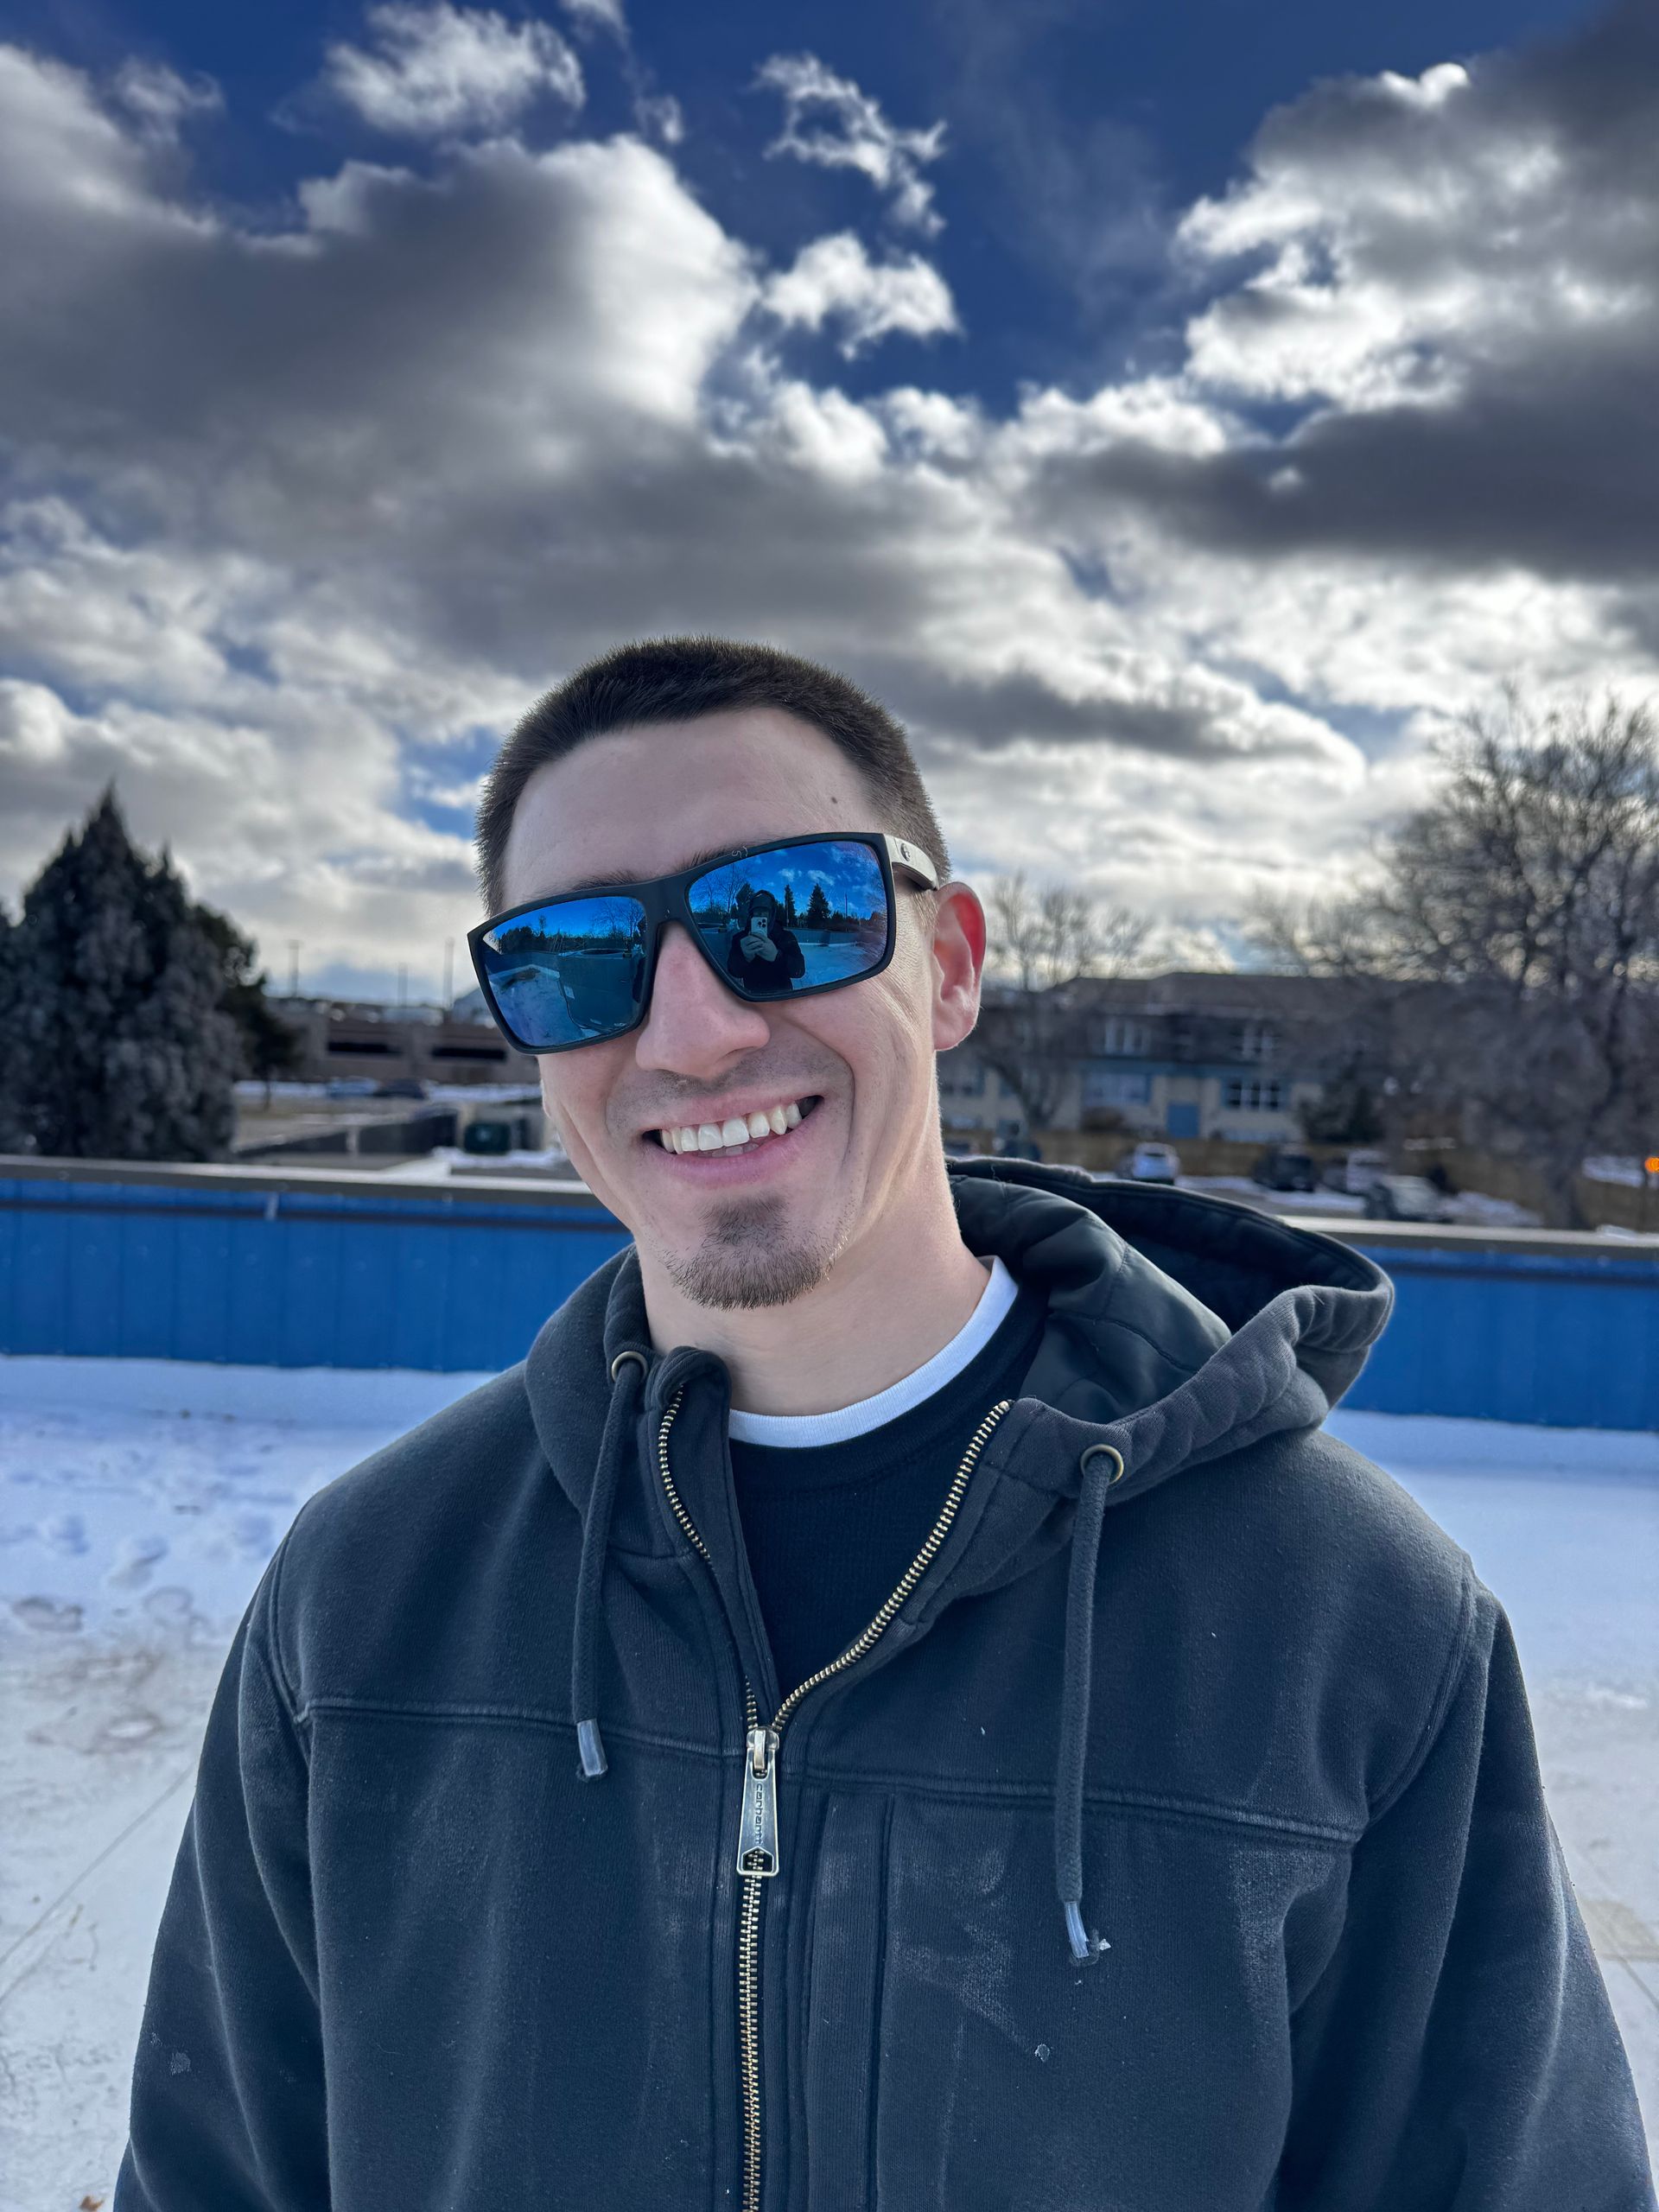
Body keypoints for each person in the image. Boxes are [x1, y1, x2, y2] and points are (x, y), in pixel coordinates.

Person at [118, 639, 1654, 2212]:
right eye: (575, 958)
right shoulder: (369, 1595)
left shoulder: (1354, 1621)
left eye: (784, 915)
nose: (693, 1030)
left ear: (954, 962)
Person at [727, 886, 804, 994]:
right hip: (752, 998)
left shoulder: (786, 937)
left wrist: (777, 956)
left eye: (765, 912)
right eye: (756, 912)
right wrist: (745, 958)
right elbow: (733, 971)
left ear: (772, 914)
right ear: (751, 915)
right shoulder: (740, 938)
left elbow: (799, 970)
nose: (760, 916)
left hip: (782, 998)